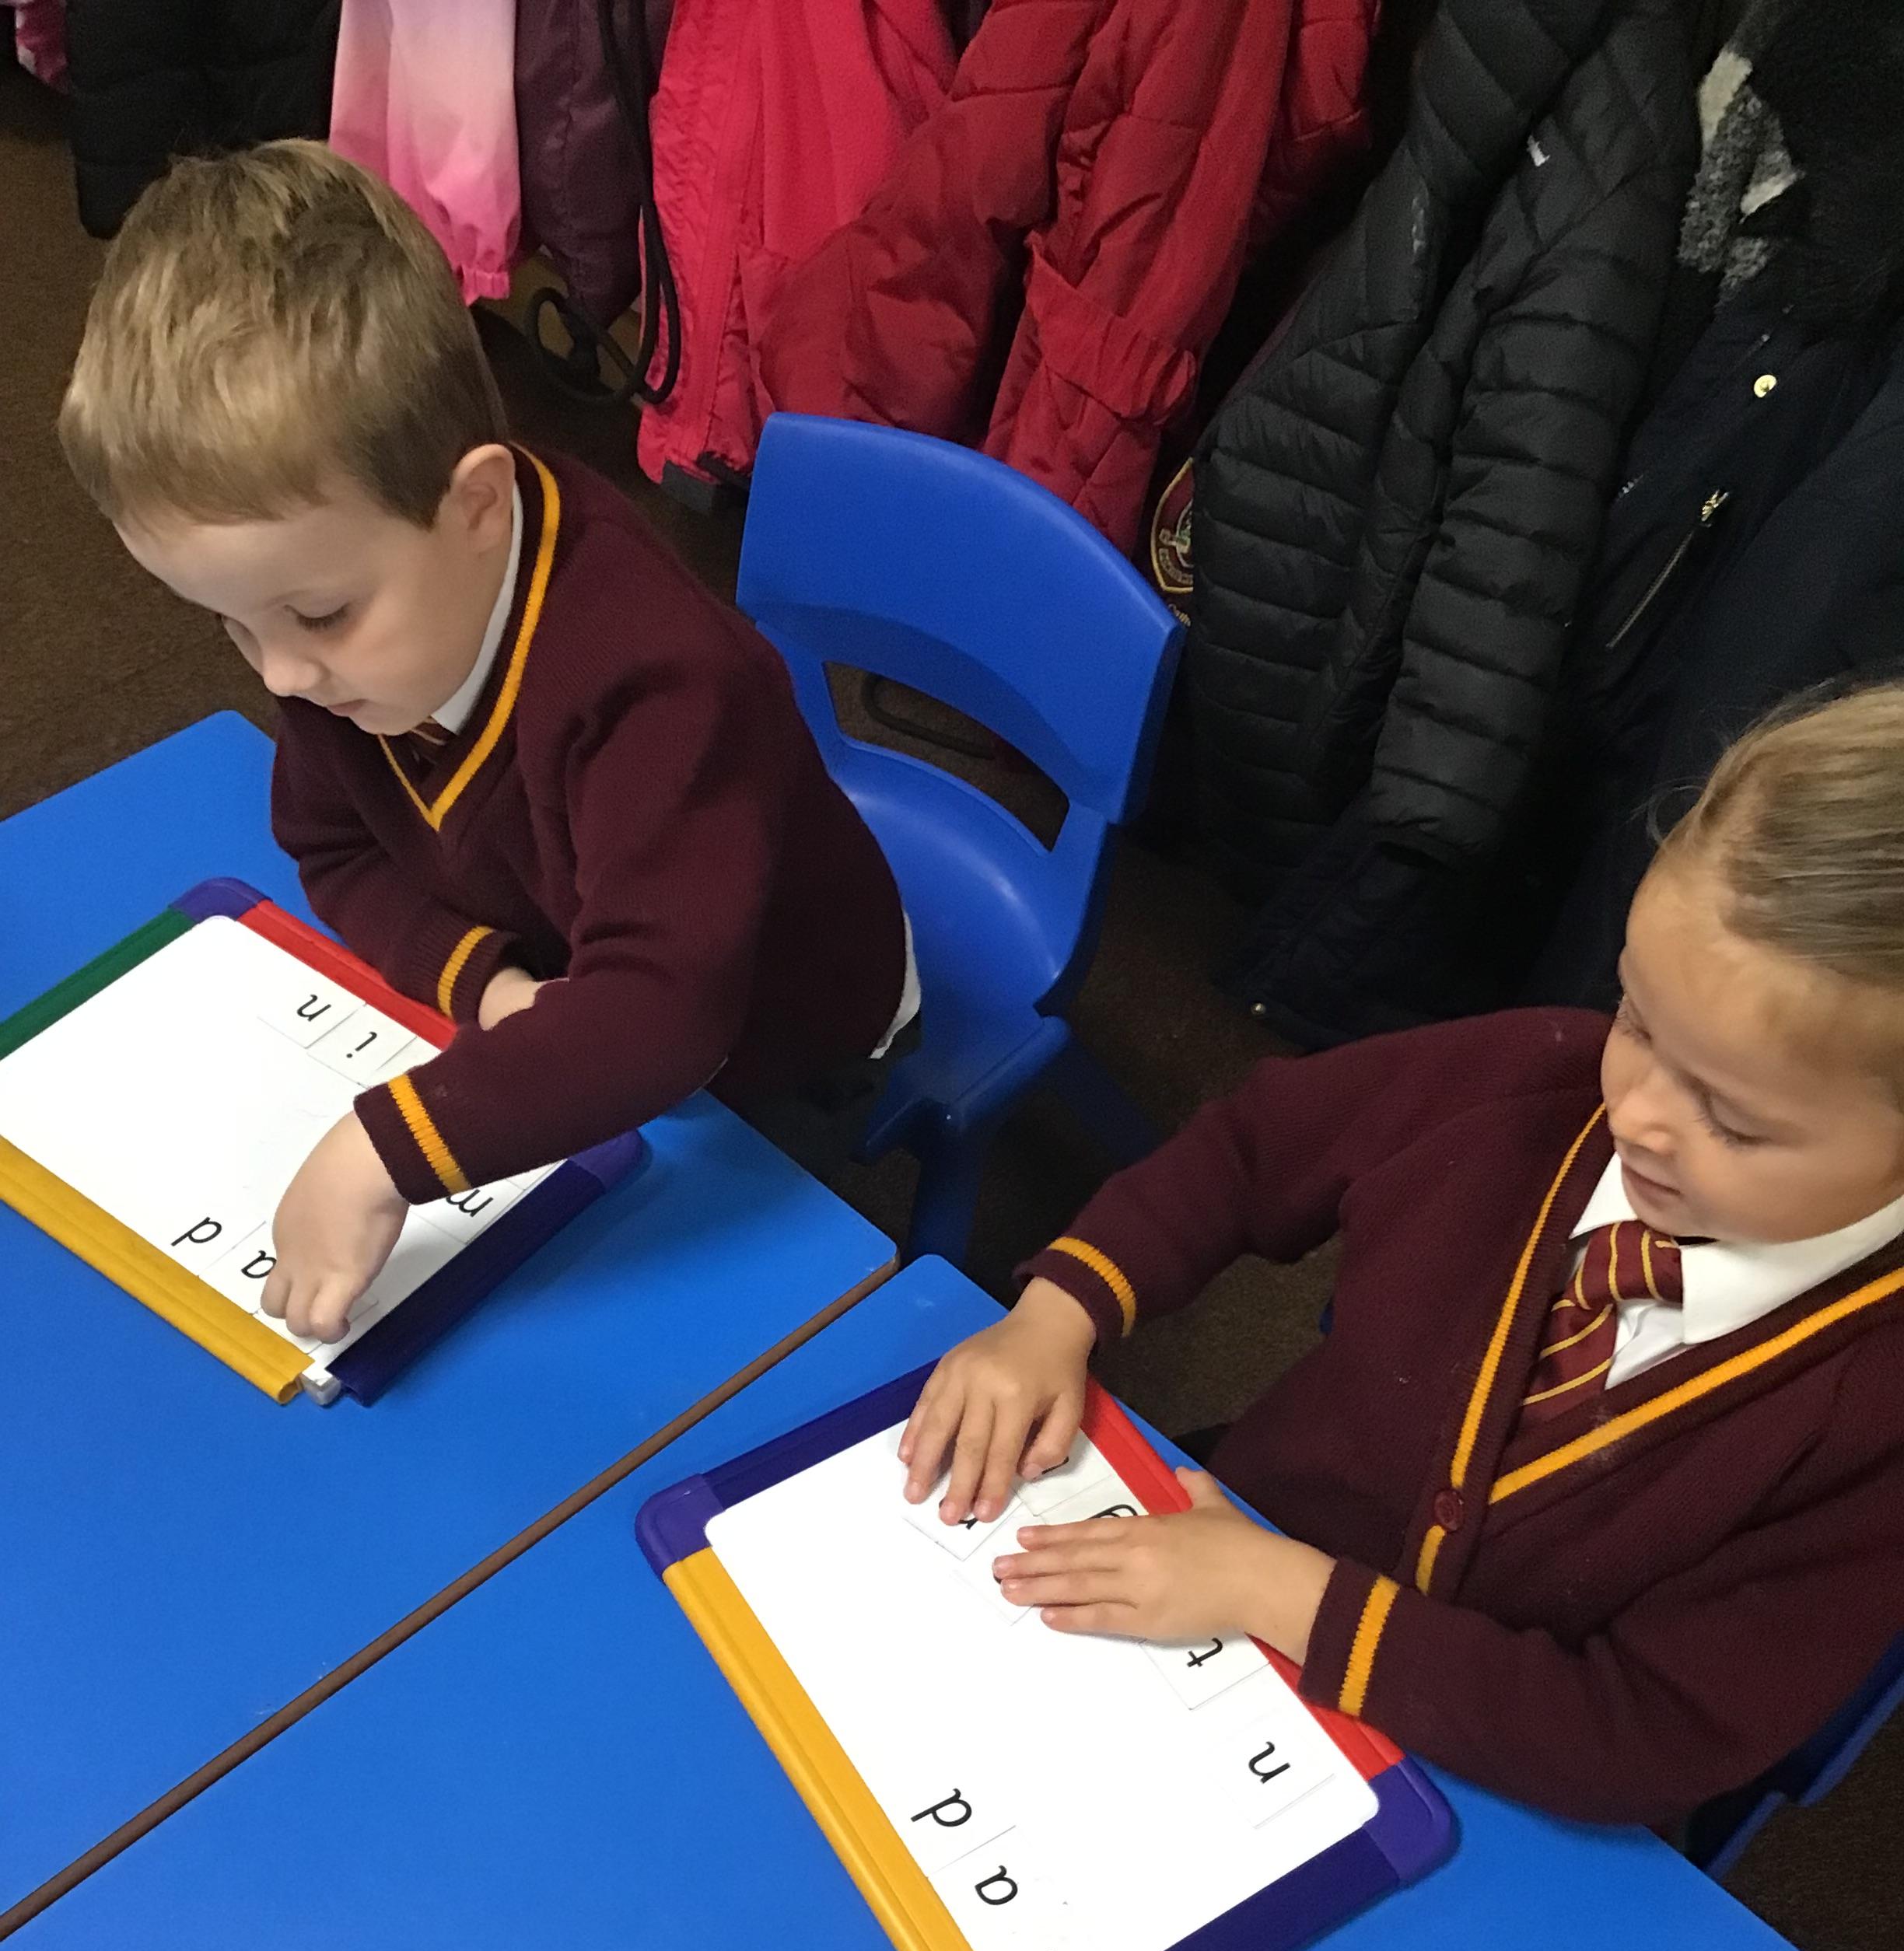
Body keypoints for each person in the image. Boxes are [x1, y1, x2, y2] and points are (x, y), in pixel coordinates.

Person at [901, 686, 1904, 1823]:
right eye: (1636, 1018)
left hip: (1476, 1769)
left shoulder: (1873, 1424)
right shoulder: (1529, 1080)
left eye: (1731, 1119)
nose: (1632, 1114)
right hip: (1232, 1540)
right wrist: (1058, 1315)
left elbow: (1645, 1734)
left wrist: (1282, 1594)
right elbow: (1252, 1152)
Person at [58, 142, 913, 1343]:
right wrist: (490, 988)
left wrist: (385, 1149)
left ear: (475, 507)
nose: (281, 674)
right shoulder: (341, 626)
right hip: (568, 973)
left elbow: (665, 1012)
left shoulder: (662, 684)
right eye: (231, 625)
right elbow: (335, 847)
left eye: (317, 614)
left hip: (776, 1038)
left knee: (686, 1331)